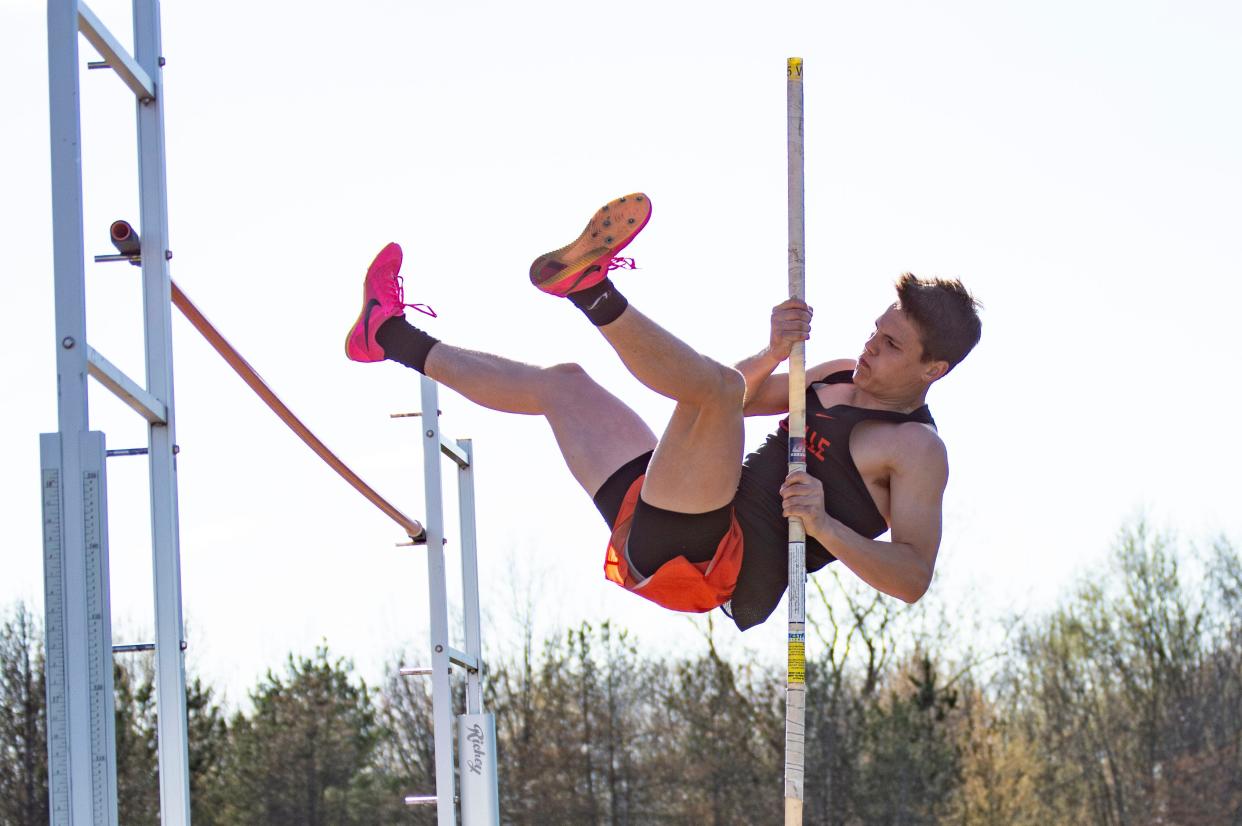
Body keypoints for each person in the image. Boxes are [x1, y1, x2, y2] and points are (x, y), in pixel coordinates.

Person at [345, 193, 981, 631]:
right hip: (677, 510)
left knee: (711, 395)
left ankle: (590, 289)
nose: (870, 346)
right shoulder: (838, 372)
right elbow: (724, 391)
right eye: (876, 330)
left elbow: (912, 578)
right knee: (564, 386)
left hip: (717, 560)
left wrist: (825, 527)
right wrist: (773, 352)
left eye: (892, 345)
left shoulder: (916, 451)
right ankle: (389, 337)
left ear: (935, 370)